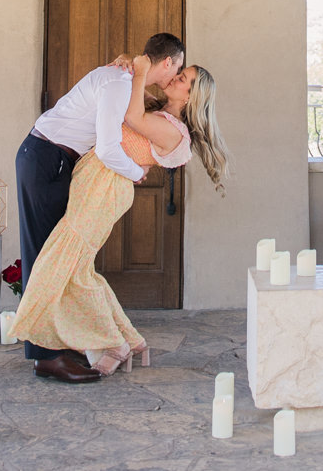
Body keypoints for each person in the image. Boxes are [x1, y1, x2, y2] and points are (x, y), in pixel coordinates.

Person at [12, 57, 227, 375]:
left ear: (192, 96)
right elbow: (126, 100)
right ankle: (120, 341)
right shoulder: (159, 112)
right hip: (94, 181)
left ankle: (103, 342)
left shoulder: (172, 131)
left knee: (66, 265)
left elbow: (130, 115)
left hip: (105, 189)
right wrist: (128, 66)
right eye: (179, 72)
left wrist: (140, 71)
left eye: (183, 78)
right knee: (76, 268)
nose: (175, 78)